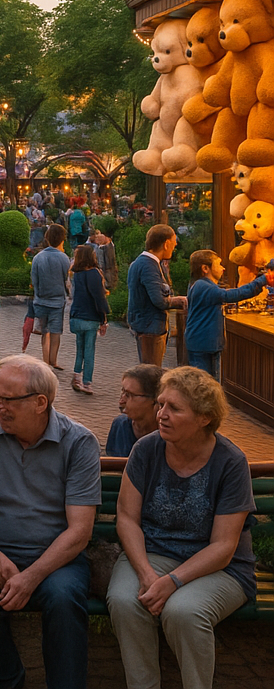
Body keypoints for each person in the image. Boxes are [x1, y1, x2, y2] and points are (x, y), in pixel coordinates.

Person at [107, 367, 256, 689]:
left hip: (218, 568)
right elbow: (127, 518)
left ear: (204, 417)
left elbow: (224, 546)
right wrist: (148, 575)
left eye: (174, 408)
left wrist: (172, 582)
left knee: (184, 611)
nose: (161, 414)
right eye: (160, 404)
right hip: (152, 554)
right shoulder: (146, 449)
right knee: (124, 600)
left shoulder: (230, 462)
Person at [0, 355, 101, 689]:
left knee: (64, 598)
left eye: (6, 399)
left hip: (56, 560)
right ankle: (8, 679)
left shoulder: (79, 442)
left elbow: (80, 531)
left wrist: (32, 575)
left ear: (40, 403)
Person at [185, 249, 268, 379]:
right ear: (205, 268)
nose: (223, 268)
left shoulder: (199, 284)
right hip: (204, 344)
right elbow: (231, 295)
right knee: (205, 384)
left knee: (203, 382)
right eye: (218, 264)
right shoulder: (203, 286)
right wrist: (262, 280)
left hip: (201, 342)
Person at [126, 224, 188, 367]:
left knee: (149, 369)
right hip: (150, 328)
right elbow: (159, 300)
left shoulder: (143, 263)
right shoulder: (149, 265)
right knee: (151, 372)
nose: (175, 245)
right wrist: (179, 300)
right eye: (173, 242)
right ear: (166, 244)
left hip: (145, 326)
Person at [68, 244, 109, 394]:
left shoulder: (76, 274)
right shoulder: (95, 274)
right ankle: (87, 382)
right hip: (90, 318)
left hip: (76, 316)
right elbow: (99, 298)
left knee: (80, 349)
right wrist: (103, 319)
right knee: (89, 351)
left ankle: (76, 376)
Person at [30, 223, 70, 370]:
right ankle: (53, 360)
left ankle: (45, 361)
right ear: (61, 240)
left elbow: (34, 280)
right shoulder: (64, 258)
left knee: (44, 332)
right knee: (55, 332)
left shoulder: (38, 258)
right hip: (57, 301)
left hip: (41, 301)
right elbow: (67, 280)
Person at [105, 364, 162, 457]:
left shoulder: (169, 436)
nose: (121, 401)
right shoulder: (119, 425)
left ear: (154, 399)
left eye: (129, 394)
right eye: (122, 392)